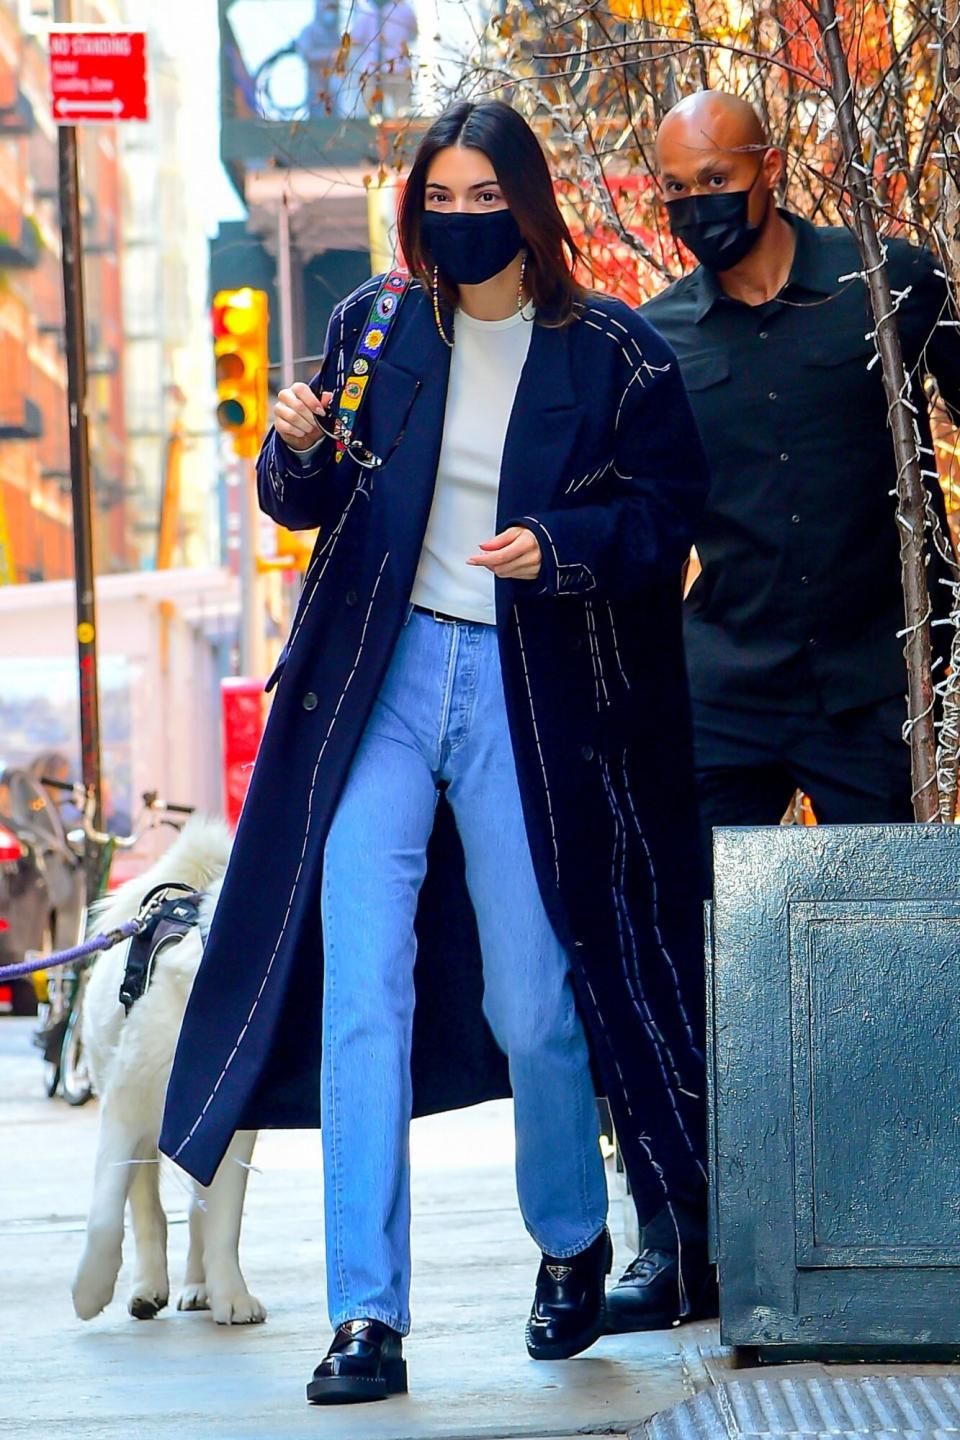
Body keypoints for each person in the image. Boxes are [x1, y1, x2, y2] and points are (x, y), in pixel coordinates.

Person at [160, 99, 711, 1404]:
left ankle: (573, 1242)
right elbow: (316, 499)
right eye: (441, 198)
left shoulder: (611, 355)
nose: (461, 221)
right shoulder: (376, 329)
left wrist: (560, 550)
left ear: (530, 208)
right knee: (364, 989)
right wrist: (288, 451)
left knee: (531, 996)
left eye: (485, 198)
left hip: (529, 687)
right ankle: (367, 1318)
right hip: (385, 680)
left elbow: (669, 515)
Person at [605, 87, 960, 1332]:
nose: (696, 206)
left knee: (896, 971)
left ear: (769, 167)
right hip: (725, 692)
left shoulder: (886, 285)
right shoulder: (658, 343)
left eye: (715, 179)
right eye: (674, 190)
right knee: (682, 961)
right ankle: (681, 1242)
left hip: (871, 685)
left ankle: (904, 1219)